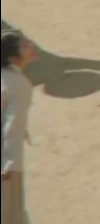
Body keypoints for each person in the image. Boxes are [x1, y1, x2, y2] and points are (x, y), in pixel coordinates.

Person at [1, 28, 38, 224]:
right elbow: (13, 124)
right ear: (13, 59)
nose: (31, 45)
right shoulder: (18, 83)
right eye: (24, 45)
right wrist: (10, 164)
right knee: (9, 212)